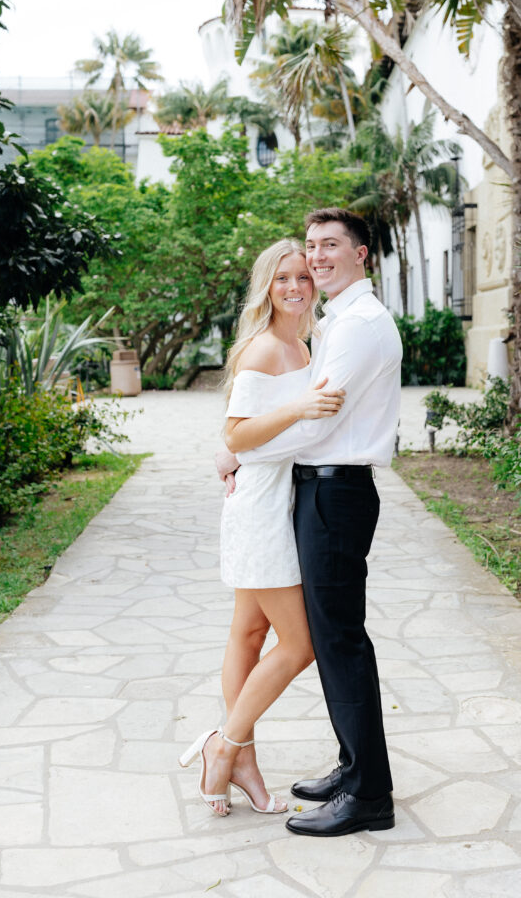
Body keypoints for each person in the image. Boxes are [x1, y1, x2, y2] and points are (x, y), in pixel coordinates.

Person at [218, 208, 402, 838]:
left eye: (330, 247)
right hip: (316, 492)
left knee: (336, 641)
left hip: (335, 493)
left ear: (362, 255)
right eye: (311, 247)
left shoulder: (356, 327)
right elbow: (296, 413)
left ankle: (369, 793)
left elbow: (317, 425)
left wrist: (238, 451)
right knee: (316, 637)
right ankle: (355, 769)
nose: (317, 258)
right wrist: (242, 448)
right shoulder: (334, 323)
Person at [179, 238, 345, 817]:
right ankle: (223, 745)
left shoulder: (307, 342)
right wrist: (295, 412)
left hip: (282, 498)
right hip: (261, 507)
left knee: (248, 634)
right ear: (266, 288)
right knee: (299, 645)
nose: (296, 287)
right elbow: (237, 434)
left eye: (304, 276)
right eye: (283, 280)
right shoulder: (261, 350)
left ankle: (240, 755)